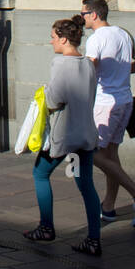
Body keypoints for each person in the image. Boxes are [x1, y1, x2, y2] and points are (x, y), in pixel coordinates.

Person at [24, 14, 103, 256]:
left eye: (52, 38)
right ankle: (93, 239)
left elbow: (54, 99)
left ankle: (46, 226)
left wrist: (44, 93)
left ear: (63, 39)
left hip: (64, 134)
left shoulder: (60, 63)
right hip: (86, 133)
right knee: (86, 185)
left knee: (40, 173)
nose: (51, 42)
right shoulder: (87, 63)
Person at [81, 0, 135, 226]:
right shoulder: (124, 33)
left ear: (93, 14)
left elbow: (89, 71)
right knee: (111, 155)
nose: (82, 18)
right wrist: (119, 70)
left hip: (105, 103)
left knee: (92, 152)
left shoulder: (96, 39)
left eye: (83, 14)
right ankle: (109, 206)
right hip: (125, 102)